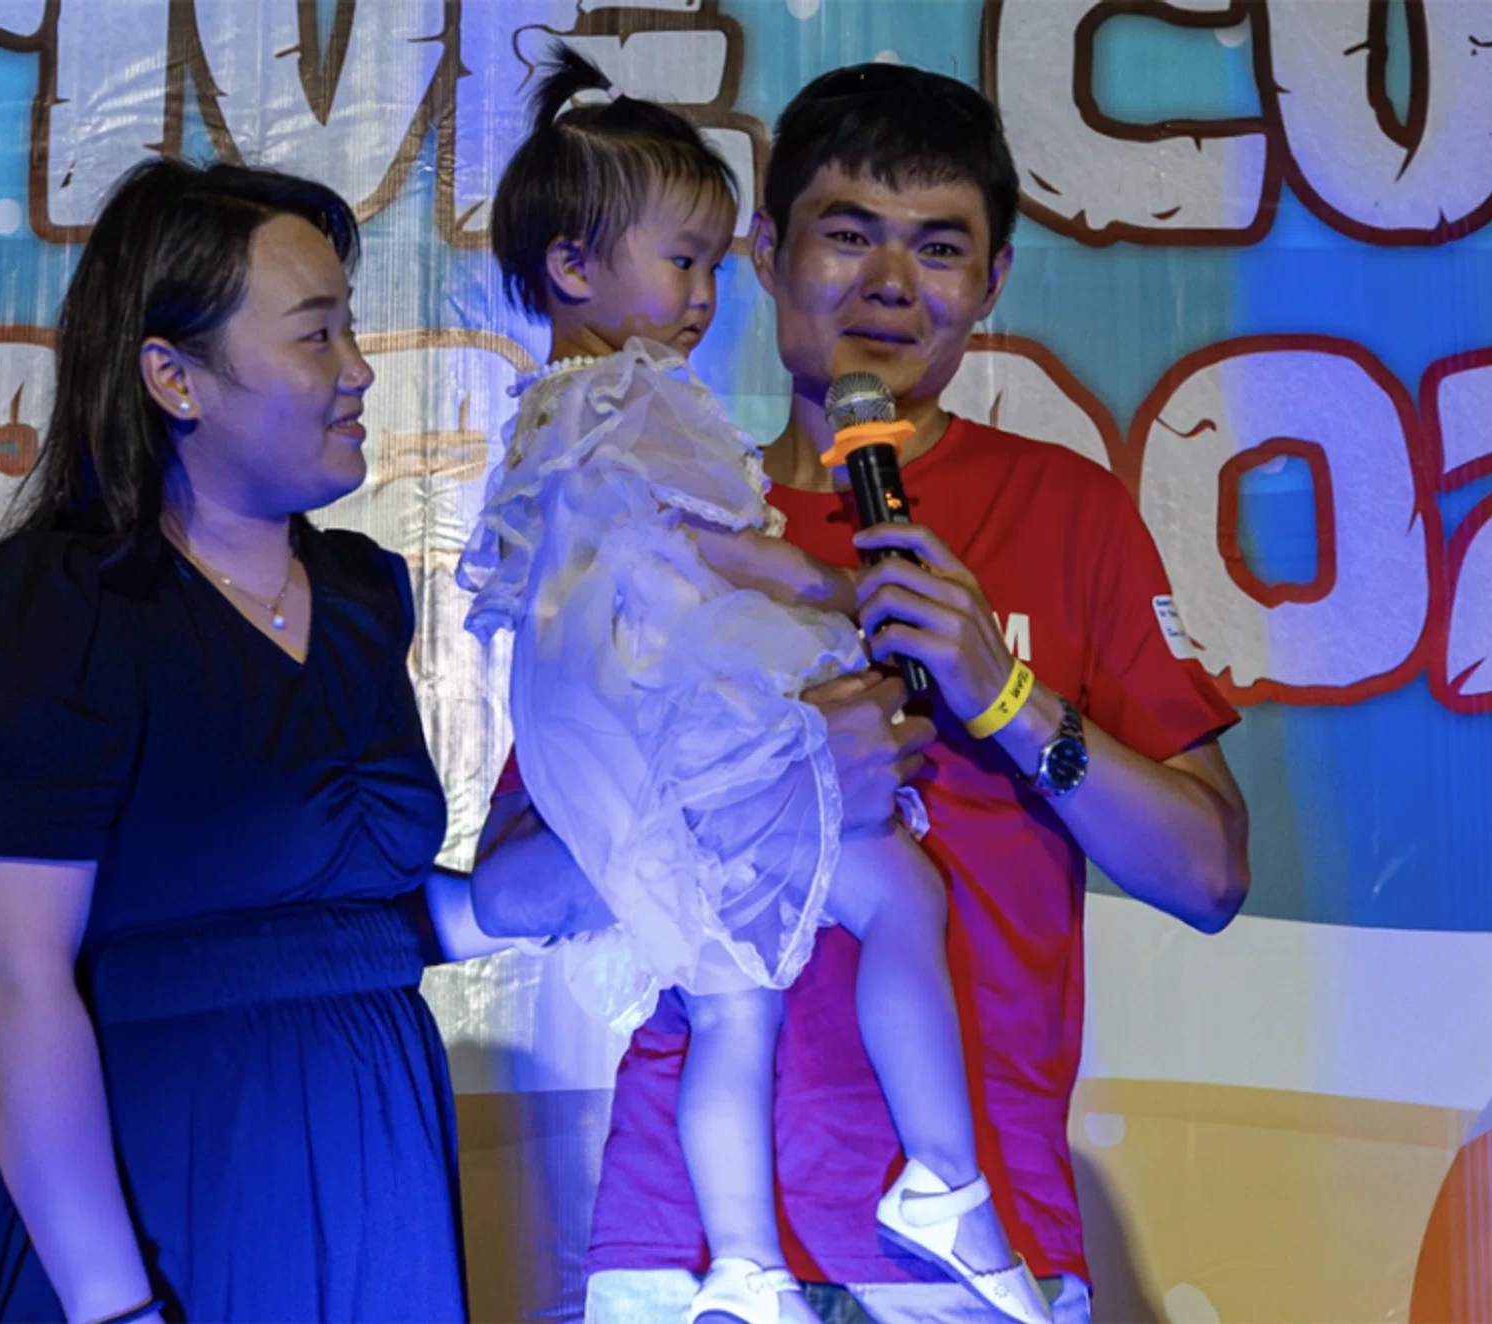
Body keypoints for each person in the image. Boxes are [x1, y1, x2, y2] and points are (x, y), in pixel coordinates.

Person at [469, 62, 1251, 1324]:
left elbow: (1208, 873)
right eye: (848, 235)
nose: (892, 284)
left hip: (970, 1235)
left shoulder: (1069, 508)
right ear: (767, 252)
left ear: (991, 287)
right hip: (692, 1238)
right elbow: (511, 889)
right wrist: (767, 779)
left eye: (940, 248)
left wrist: (1006, 698)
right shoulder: (664, 504)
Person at [0, 159, 505, 1324]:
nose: (360, 371)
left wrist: (550, 890)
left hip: (380, 1171)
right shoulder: (50, 614)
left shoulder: (362, 594)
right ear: (174, 378)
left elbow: (357, 927)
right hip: (172, 1191)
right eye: (317, 336)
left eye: (352, 331)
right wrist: (113, 1304)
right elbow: (11, 974)